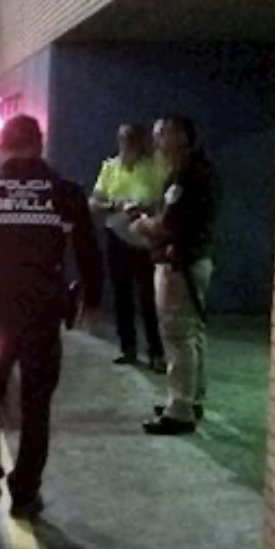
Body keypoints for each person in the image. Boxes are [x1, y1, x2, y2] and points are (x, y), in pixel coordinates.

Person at [0, 114, 104, 520]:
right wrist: (94, 299)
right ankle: (25, 494)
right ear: (40, 144)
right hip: (42, 315)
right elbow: (88, 252)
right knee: (36, 406)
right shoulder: (66, 193)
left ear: (2, 145)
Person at [129, 115, 221, 436]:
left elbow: (167, 225)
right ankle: (191, 399)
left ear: (181, 136)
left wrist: (142, 224)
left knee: (178, 336)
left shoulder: (187, 175)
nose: (156, 143)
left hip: (179, 265)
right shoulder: (198, 170)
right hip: (194, 261)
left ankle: (179, 410)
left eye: (161, 135)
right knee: (192, 334)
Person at [90, 123, 167, 371]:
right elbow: (93, 202)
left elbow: (164, 203)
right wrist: (111, 206)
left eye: (132, 140)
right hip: (117, 238)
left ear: (141, 142)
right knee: (122, 296)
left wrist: (144, 208)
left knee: (149, 298)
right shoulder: (110, 167)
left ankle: (156, 352)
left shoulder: (154, 168)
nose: (126, 145)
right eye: (123, 140)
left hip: (146, 240)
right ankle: (128, 348)